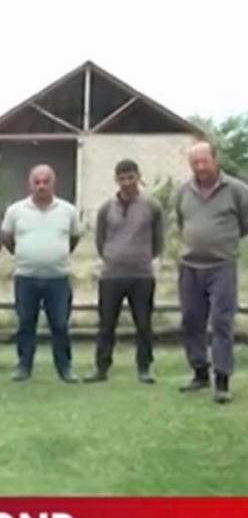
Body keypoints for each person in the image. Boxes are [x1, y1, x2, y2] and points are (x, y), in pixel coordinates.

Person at [176, 141, 248, 404]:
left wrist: (223, 242)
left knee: (221, 322)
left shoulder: (237, 190)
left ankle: (222, 380)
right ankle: (199, 372)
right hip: (190, 266)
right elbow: (182, 222)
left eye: (204, 161)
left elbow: (245, 223)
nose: (200, 167)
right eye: (195, 163)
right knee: (191, 320)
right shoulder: (184, 191)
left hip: (221, 266)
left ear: (216, 160)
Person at [85, 159, 164, 385]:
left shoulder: (152, 206)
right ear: (116, 180)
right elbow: (100, 240)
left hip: (142, 275)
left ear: (138, 177)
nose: (127, 182)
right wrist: (112, 257)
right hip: (111, 275)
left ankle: (144, 368)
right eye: (122, 178)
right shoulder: (106, 208)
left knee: (144, 324)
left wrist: (142, 258)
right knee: (106, 324)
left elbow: (158, 242)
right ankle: (101, 368)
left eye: (131, 177)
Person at [1, 164, 82, 383]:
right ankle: (23, 366)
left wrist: (56, 254)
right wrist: (25, 254)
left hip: (58, 278)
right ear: (30, 184)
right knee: (26, 324)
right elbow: (7, 238)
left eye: (46, 182)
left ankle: (65, 368)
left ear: (53, 183)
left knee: (60, 325)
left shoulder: (68, 211)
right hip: (26, 277)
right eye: (37, 182)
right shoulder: (15, 211)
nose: (41, 186)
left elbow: (74, 238)